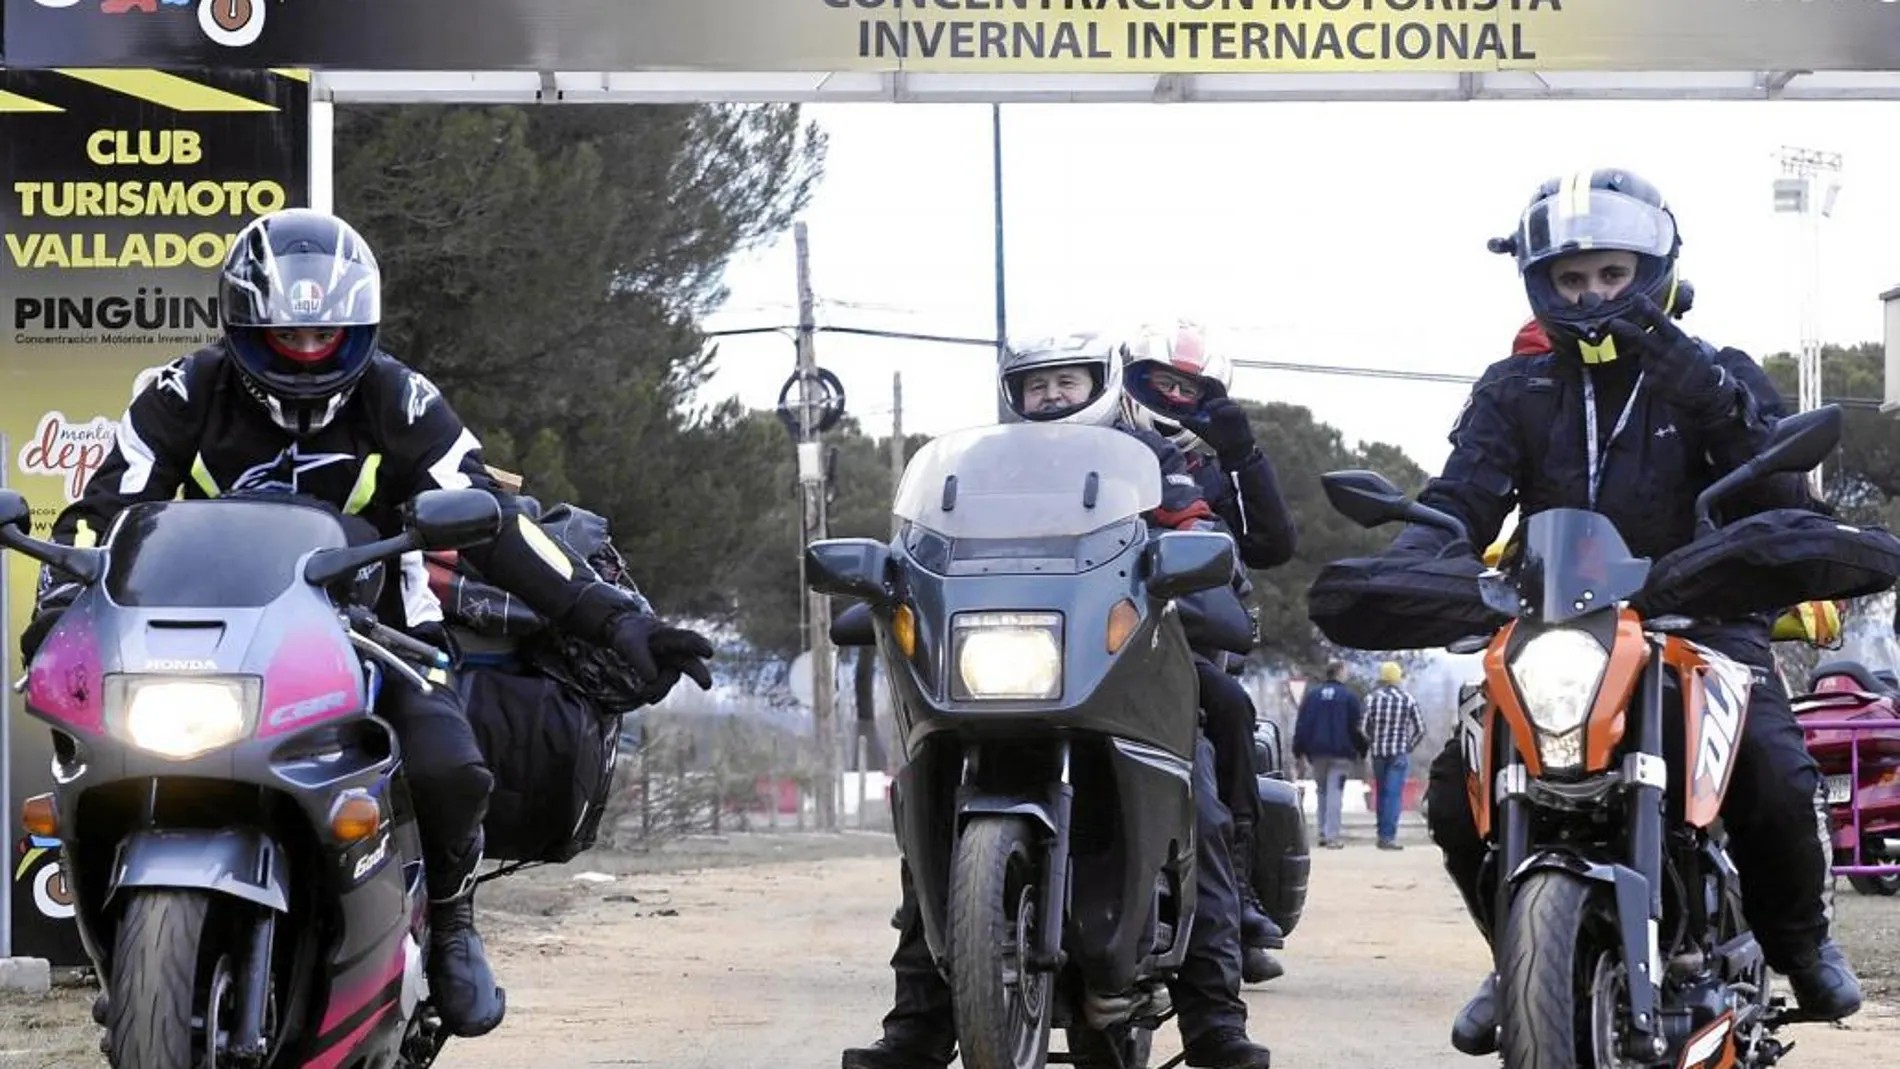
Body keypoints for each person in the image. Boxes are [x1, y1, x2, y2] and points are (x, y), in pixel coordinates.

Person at [16, 208, 716, 1039]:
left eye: (327, 335)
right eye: (286, 336)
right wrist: (59, 610)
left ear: (361, 328)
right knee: (103, 758)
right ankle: (128, 953)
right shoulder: (181, 393)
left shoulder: (401, 397)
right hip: (213, 641)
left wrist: (615, 621)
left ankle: (453, 924)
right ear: (241, 324)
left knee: (451, 765)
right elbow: (100, 516)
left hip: (376, 634)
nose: (308, 350)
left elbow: (494, 518)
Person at [1387, 168, 1860, 1056]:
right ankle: (1520, 952)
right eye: (1572, 279)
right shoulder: (1514, 390)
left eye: (1610, 274)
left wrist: (1709, 395)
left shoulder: (1718, 373)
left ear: (1651, 268)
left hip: (1702, 619)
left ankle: (1800, 943)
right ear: (1541, 285)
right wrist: (1421, 551)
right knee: (1459, 791)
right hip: (1556, 625)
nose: (1593, 295)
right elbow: (1463, 495)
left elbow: (1783, 488)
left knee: (1771, 765)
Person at [842, 332, 1272, 1069]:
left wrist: (1201, 565)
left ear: (1097, 384)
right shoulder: (973, 471)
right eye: (1035, 385)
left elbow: (1197, 531)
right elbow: (925, 544)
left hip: (1129, 667)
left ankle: (1213, 1018)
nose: (1050, 397)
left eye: (1065, 382)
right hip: (1006, 664)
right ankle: (917, 1023)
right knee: (927, 809)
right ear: (1012, 394)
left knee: (1196, 796)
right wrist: (887, 578)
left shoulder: (1148, 465)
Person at [1121, 321, 1299, 982]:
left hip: (1190, 640)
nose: (1170, 396)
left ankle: (1241, 891)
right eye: (1158, 382)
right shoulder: (1097, 451)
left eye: (1185, 388)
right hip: (1098, 642)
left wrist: (1245, 454)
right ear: (1131, 381)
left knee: (1226, 707)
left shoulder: (1217, 465)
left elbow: (1275, 544)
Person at [1291, 662, 1365, 848]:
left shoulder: (1312, 696)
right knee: (1335, 792)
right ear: (1340, 673)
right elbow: (1355, 727)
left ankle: (1322, 832)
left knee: (1321, 790)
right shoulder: (1349, 697)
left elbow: (1303, 724)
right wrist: (1361, 749)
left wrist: (1299, 750)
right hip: (1341, 753)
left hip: (1317, 752)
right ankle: (1332, 835)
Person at [1361, 662, 1426, 850]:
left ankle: (1381, 834)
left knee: (1381, 792)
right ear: (1398, 678)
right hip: (1399, 753)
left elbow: (1363, 728)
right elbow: (1420, 729)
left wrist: (1372, 741)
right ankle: (1388, 836)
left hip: (1378, 752)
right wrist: (1409, 746)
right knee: (1394, 794)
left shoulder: (1371, 699)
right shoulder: (1407, 699)